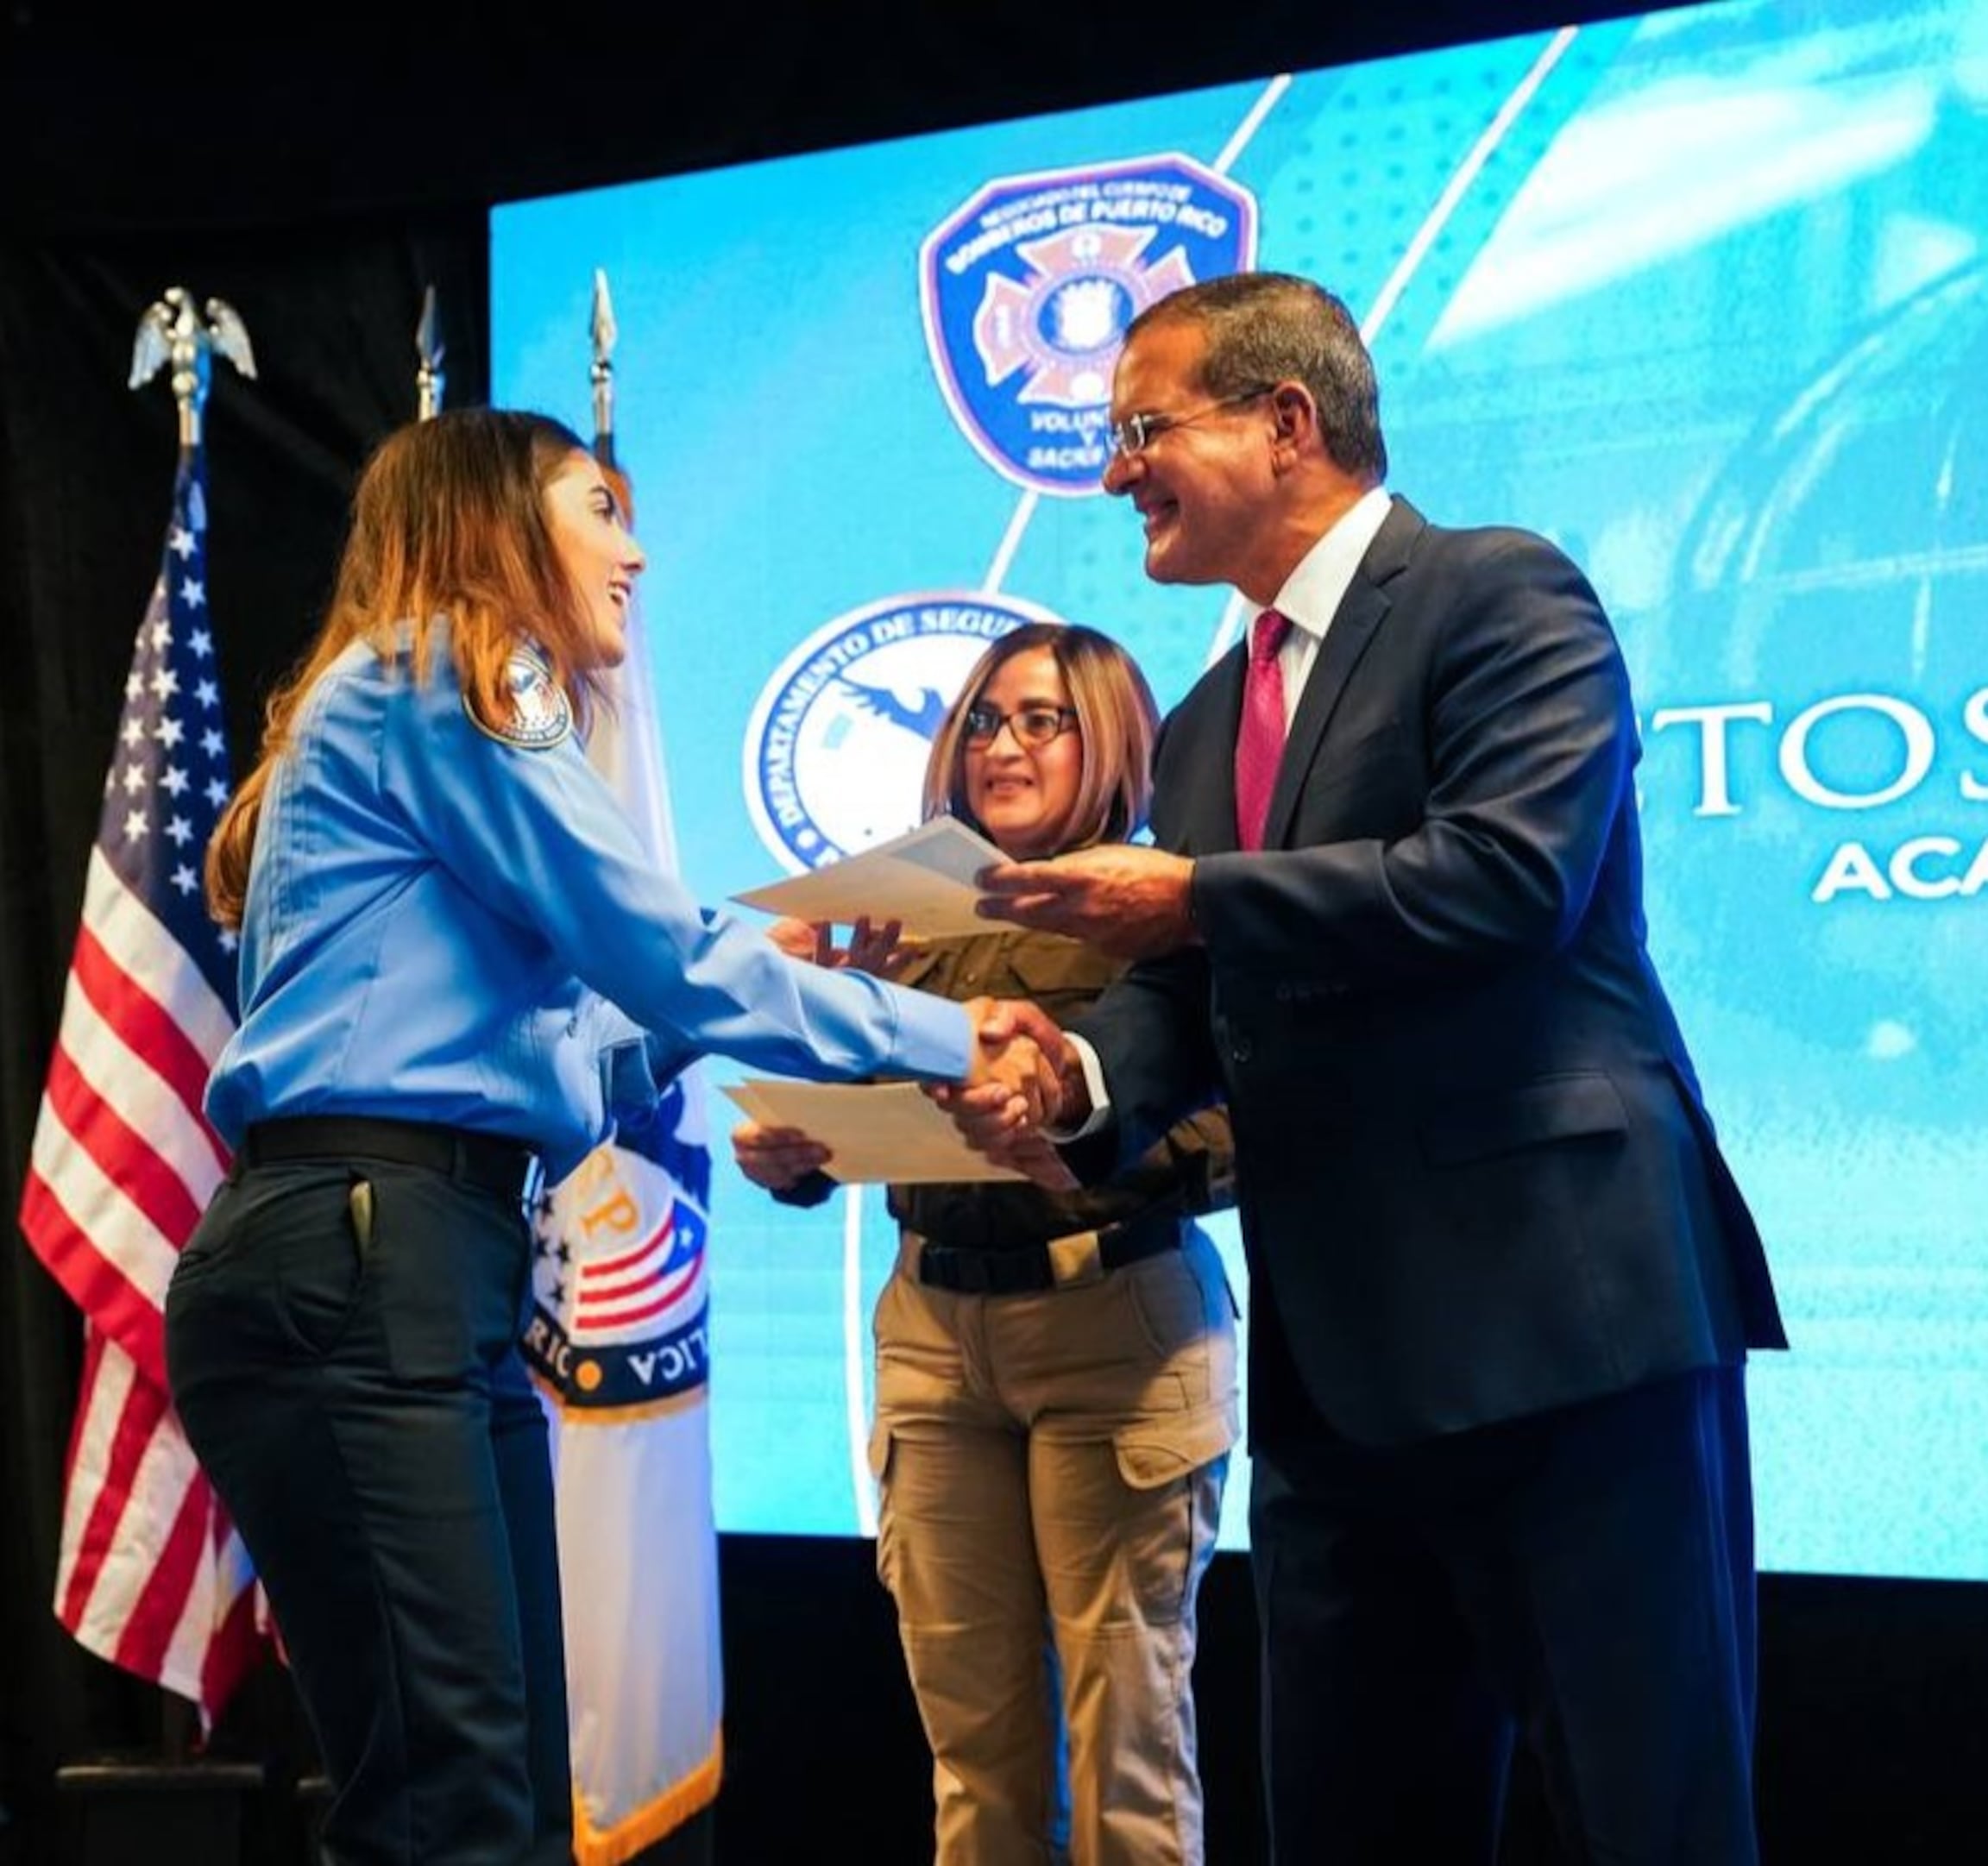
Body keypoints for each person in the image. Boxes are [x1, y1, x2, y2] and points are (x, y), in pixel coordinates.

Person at [954, 273, 1789, 1864]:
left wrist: (1192, 894)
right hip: (1339, 1382)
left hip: (1566, 1332)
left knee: (1651, 1821)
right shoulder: (1204, 718)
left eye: (1143, 427)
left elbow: (1506, 878)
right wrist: (1068, 1079)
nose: (1114, 468)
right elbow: (1190, 997)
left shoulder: (1498, 593)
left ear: (1287, 424)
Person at [161, 407, 1052, 1866]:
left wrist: (794, 967)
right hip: (363, 1254)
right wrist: (956, 1037)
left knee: (495, 1789)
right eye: (599, 508)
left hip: (414, 1254)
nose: (636, 550)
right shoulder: (452, 670)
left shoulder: (394, 696)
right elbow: (663, 952)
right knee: (450, 1801)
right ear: (495, 522)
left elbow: (590, 1063)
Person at [733, 623, 1241, 1865]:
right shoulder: (893, 914)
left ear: (1113, 737)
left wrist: (1074, 1137)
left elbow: (1243, 1124)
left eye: (1041, 720)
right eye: (982, 721)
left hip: (1111, 1325)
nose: (1002, 746)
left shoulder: (1166, 904)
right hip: (931, 1336)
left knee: (1126, 1746)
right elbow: (863, 1124)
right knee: (974, 1764)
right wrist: (794, 1154)